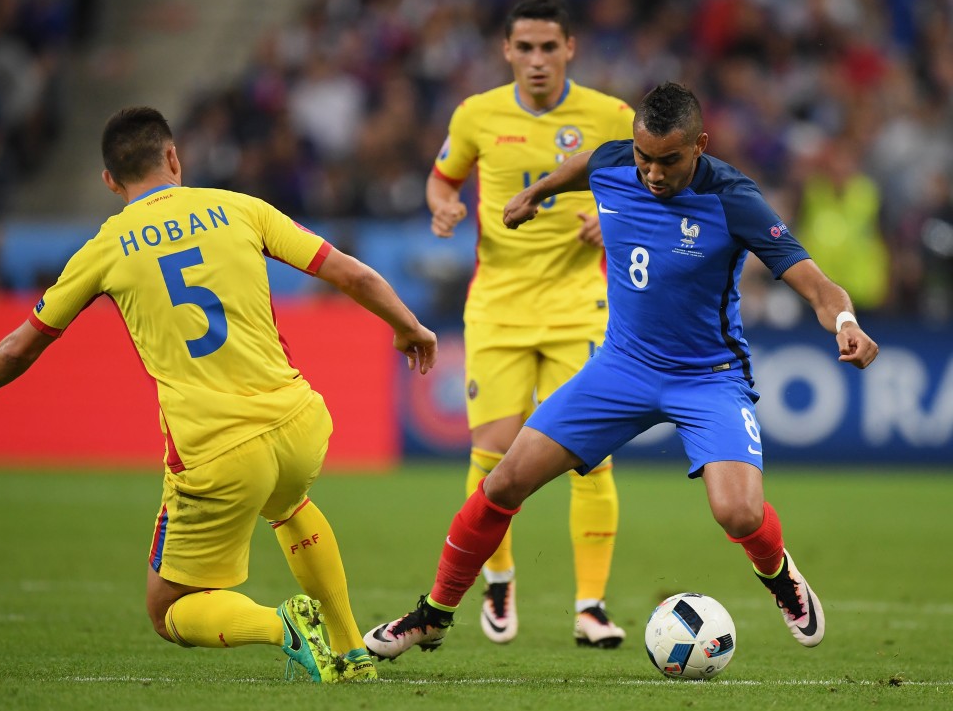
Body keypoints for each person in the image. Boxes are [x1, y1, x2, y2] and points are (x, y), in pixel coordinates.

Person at [363, 82, 879, 661]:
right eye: (644, 158)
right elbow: (588, 161)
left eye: (669, 160)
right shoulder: (616, 162)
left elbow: (817, 284)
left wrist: (845, 325)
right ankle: (433, 614)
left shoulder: (734, 197)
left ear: (700, 146)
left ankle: (780, 575)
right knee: (503, 482)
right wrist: (538, 192)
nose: (653, 174)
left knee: (738, 513)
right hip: (620, 369)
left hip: (707, 377)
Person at [0, 106, 438, 683]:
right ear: (174, 158)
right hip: (298, 423)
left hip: (216, 450)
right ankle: (350, 655)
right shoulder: (238, 207)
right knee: (290, 505)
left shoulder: (104, 247)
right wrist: (408, 326)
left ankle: (283, 628)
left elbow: (24, 344)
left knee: (167, 608)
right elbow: (355, 276)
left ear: (110, 181)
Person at [425, 0, 635, 648]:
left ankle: (591, 606)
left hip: (580, 305)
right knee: (492, 455)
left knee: (591, 459)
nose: (538, 60)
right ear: (506, 52)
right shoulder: (476, 115)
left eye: (550, 47)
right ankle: (498, 578)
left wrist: (614, 219)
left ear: (571, 48)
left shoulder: (611, 116)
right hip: (498, 307)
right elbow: (441, 179)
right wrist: (444, 208)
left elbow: (654, 191)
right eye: (526, 48)